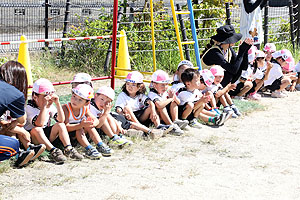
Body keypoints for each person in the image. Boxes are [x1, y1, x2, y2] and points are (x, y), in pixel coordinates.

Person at [25, 78, 83, 164]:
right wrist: (44, 106)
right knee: (37, 129)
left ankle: (68, 149)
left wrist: (57, 103)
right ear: (35, 97)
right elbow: (39, 124)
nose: (49, 99)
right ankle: (54, 151)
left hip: (46, 135)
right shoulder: (29, 107)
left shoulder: (49, 105)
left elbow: (61, 120)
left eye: (50, 95)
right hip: (33, 138)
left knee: (61, 125)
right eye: (45, 96)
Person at [0, 61, 46, 162]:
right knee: (13, 144)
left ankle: (26, 149)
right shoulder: (15, 94)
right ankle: (17, 155)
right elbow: (22, 120)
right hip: (7, 130)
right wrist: (21, 131)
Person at [91, 86, 164, 140]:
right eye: (102, 99)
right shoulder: (91, 107)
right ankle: (126, 134)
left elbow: (110, 117)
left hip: (120, 118)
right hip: (117, 119)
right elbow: (113, 113)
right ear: (95, 96)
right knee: (126, 124)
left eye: (107, 102)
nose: (103, 103)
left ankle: (149, 131)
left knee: (129, 123)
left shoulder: (140, 95)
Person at [63, 84, 112, 158]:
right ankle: (89, 149)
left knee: (89, 126)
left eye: (80, 99)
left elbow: (95, 120)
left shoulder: (85, 109)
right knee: (80, 129)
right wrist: (81, 125)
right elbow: (65, 127)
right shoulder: (66, 108)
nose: (75, 101)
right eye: (74, 96)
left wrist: (93, 123)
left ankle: (100, 145)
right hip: (69, 136)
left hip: (81, 133)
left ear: (86, 103)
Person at [148, 70, 186, 136]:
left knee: (174, 102)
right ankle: (171, 126)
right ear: (154, 84)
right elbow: (159, 105)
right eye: (162, 85)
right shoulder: (152, 93)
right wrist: (171, 98)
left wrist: (174, 97)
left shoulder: (166, 91)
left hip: (166, 114)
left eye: (166, 84)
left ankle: (175, 121)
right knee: (162, 107)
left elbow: (179, 102)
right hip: (155, 116)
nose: (165, 87)